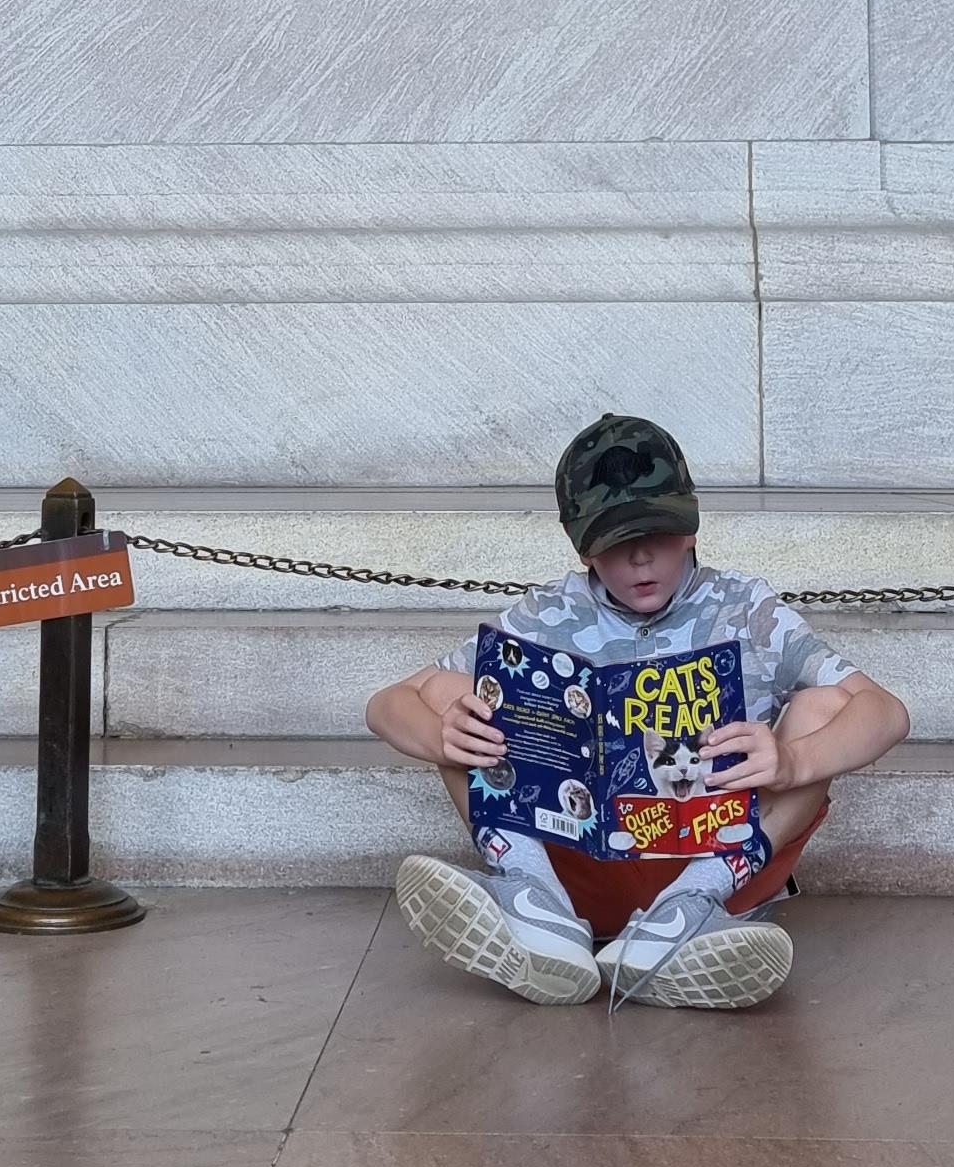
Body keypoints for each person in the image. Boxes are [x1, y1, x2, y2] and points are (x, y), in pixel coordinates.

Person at [365, 412, 911, 1011]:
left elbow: (885, 713)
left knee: (826, 707)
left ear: (691, 526)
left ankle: (687, 914)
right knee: (453, 699)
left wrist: (791, 760)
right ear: (581, 545)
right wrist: (444, 735)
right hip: (582, 864)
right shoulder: (547, 614)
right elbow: (387, 705)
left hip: (720, 861)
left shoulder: (746, 609)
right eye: (616, 542)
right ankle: (535, 902)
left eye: (658, 532)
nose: (642, 558)